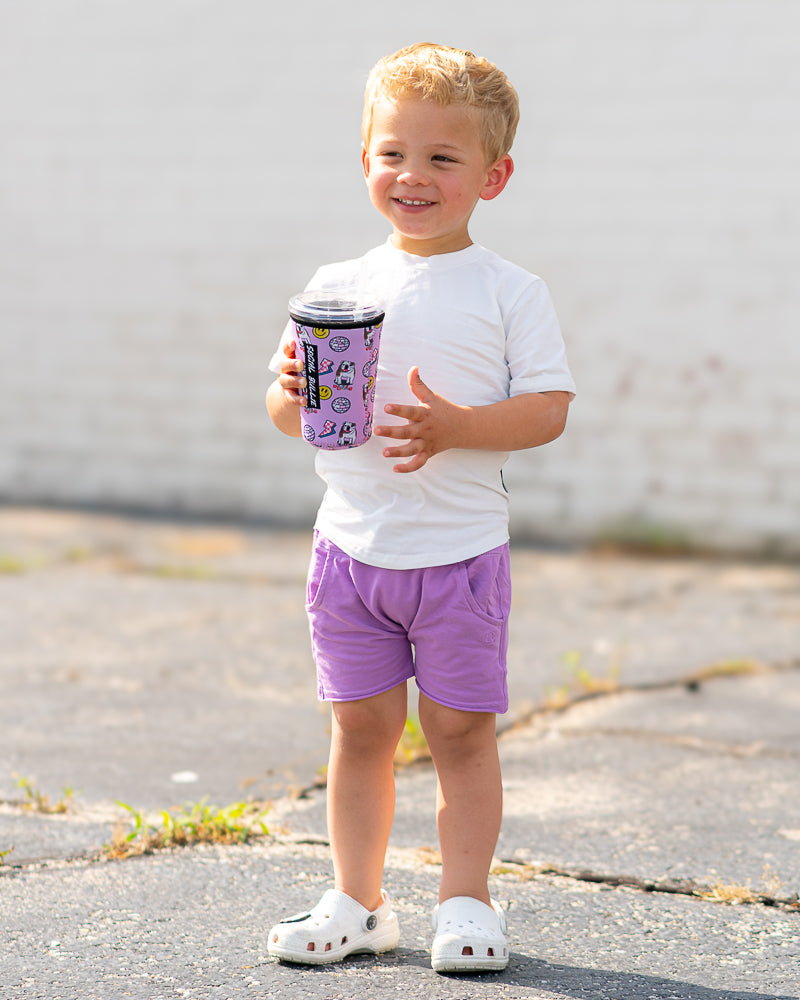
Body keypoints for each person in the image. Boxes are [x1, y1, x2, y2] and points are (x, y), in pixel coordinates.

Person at [265, 42, 575, 973]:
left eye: (443, 158)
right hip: (350, 555)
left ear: (494, 175)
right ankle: (358, 902)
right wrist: (288, 390)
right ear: (367, 160)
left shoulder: (510, 291)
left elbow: (549, 410)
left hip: (458, 559)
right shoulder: (334, 286)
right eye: (394, 152)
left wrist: (456, 427)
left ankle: (466, 902)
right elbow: (289, 414)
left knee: (459, 734)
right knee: (358, 731)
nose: (414, 175)